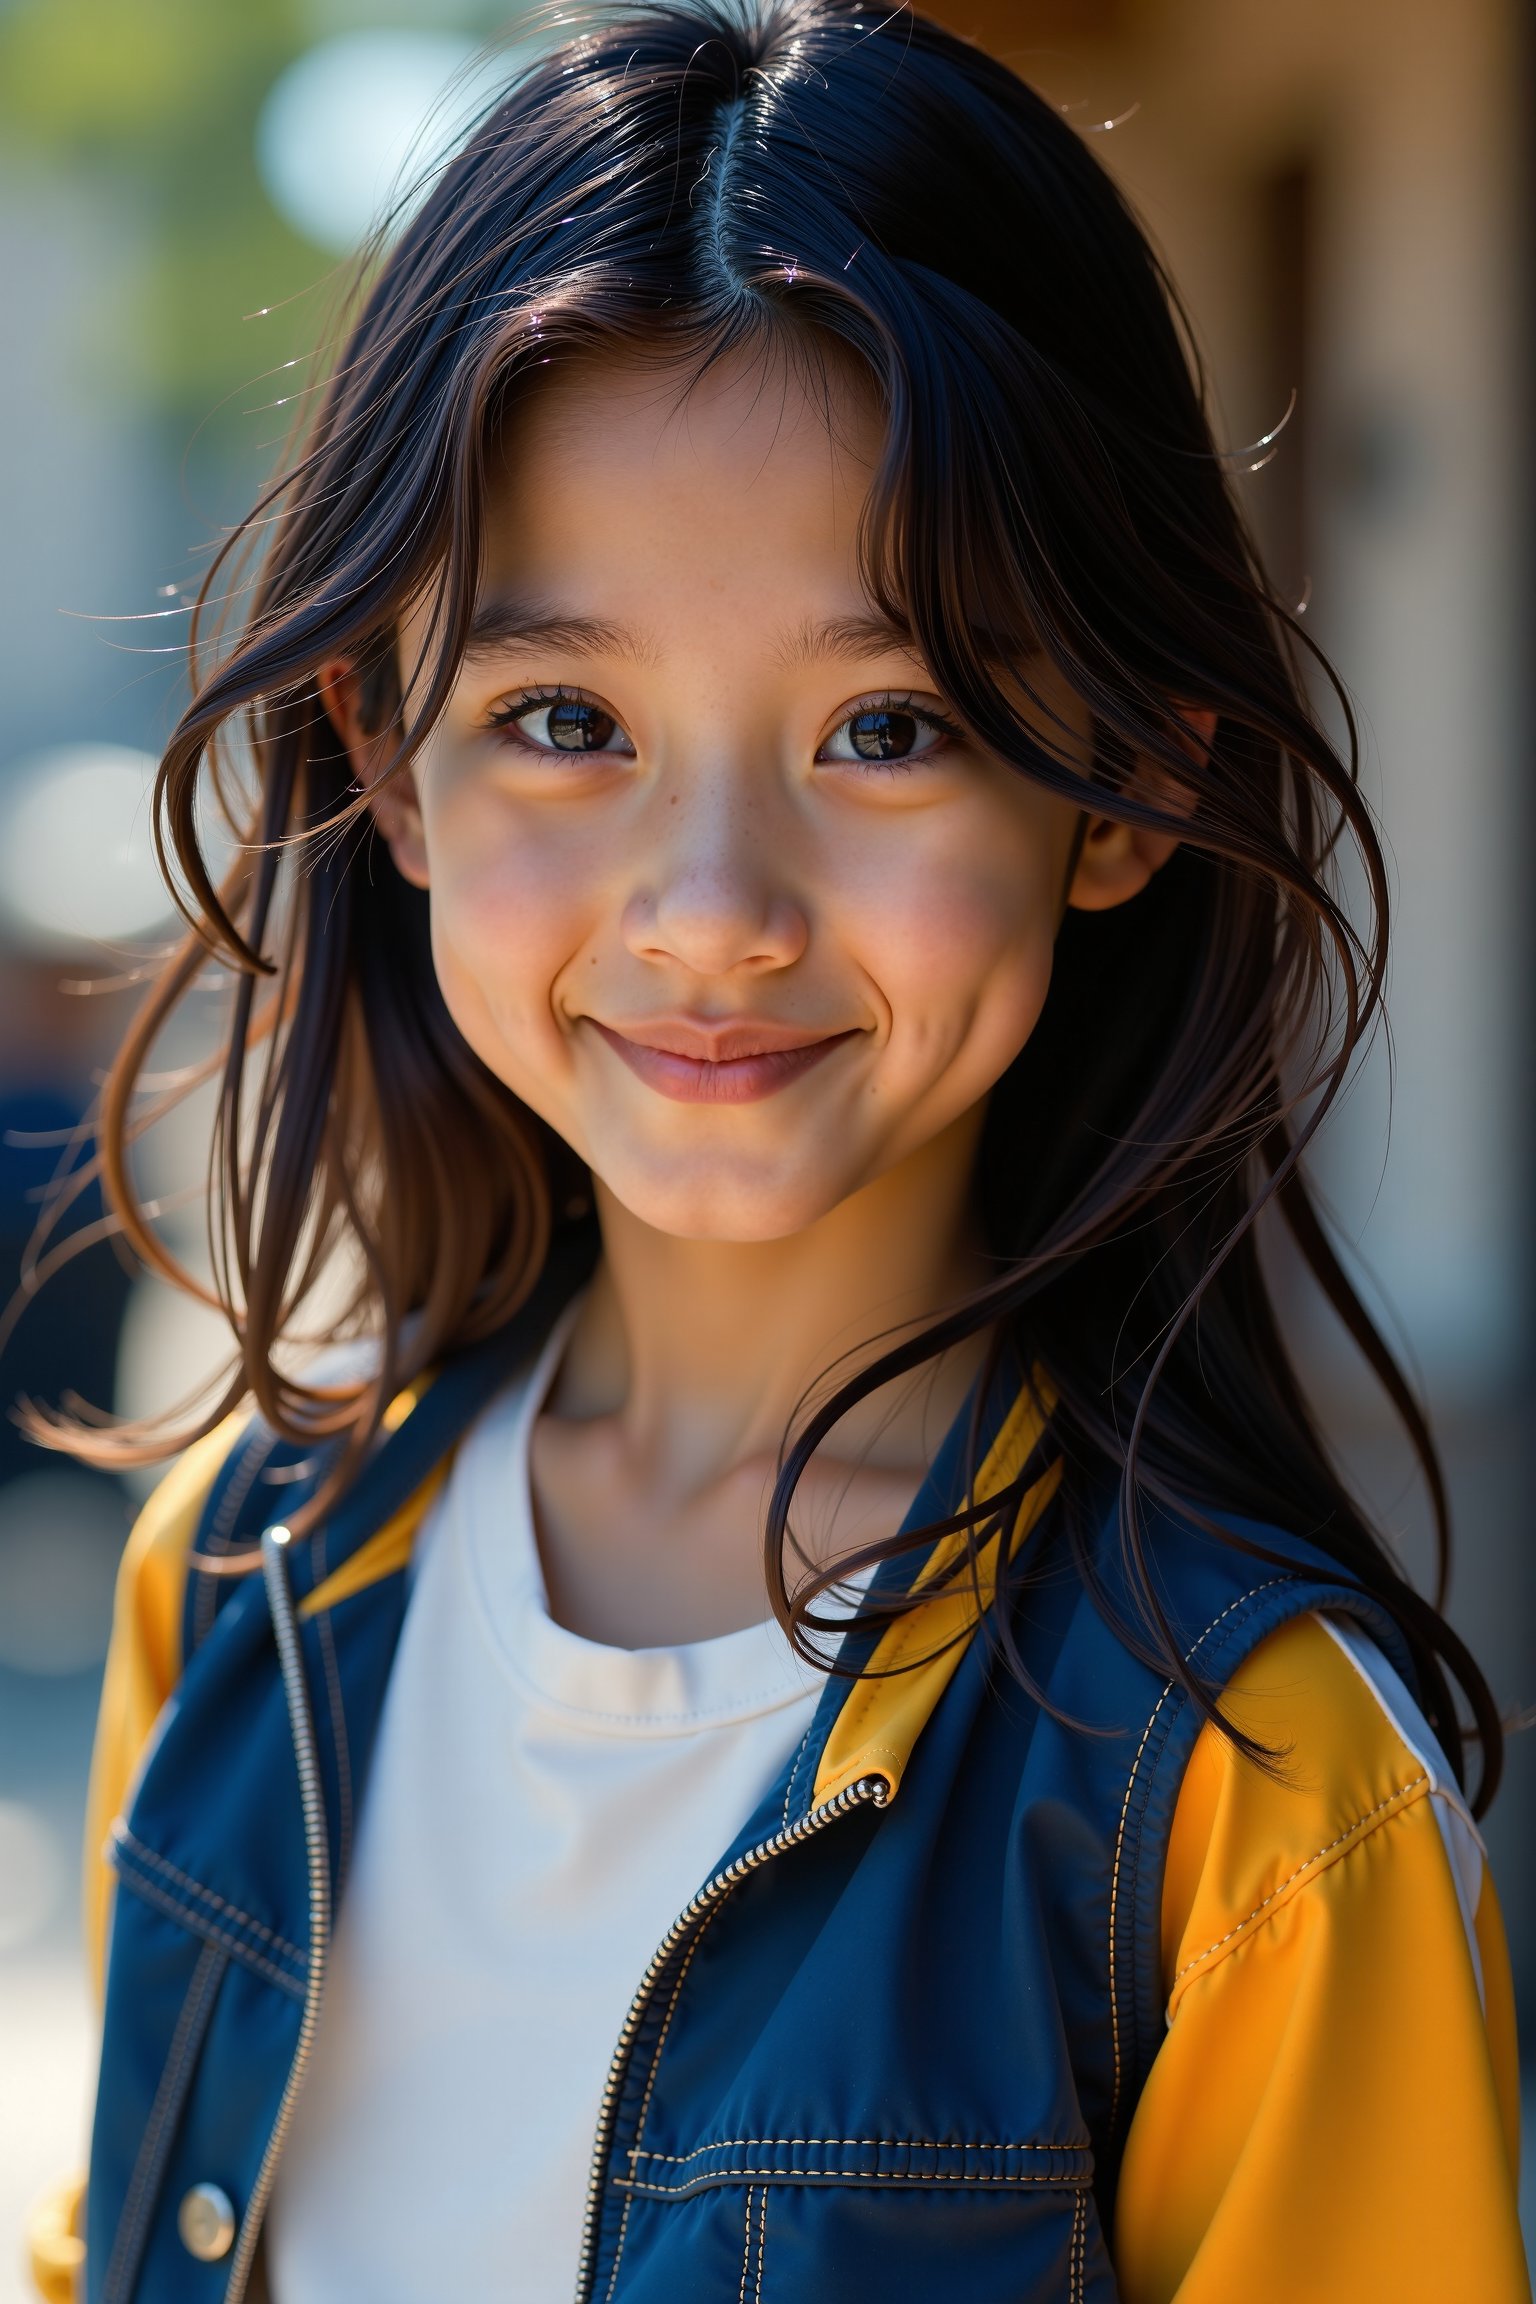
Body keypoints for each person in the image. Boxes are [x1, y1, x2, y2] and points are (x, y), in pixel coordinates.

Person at [27, 5, 1526, 2299]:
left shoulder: (1250, 1799)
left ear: (1118, 782)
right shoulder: (236, 1584)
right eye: (564, 720)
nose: (714, 906)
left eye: (889, 727)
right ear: (390, 767)